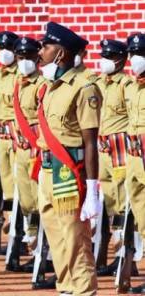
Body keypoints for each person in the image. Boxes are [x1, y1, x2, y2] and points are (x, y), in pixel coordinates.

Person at [36, 21, 101, 296]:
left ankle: (84, 291)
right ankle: (66, 289)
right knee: (57, 239)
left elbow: (90, 142)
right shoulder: (48, 86)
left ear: (60, 52)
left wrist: (93, 191)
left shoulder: (84, 87)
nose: (40, 51)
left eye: (45, 46)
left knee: (75, 239)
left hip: (69, 173)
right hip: (47, 170)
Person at [94, 39, 131, 276]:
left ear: (121, 60)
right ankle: (116, 257)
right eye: (103, 56)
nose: (105, 60)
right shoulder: (97, 83)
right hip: (101, 151)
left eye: (110, 57)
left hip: (120, 150)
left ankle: (126, 259)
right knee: (109, 205)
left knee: (122, 205)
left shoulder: (126, 85)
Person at [10, 36, 47, 272]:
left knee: (42, 201)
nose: (24, 62)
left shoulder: (42, 83)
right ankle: (36, 250)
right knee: (27, 203)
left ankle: (47, 253)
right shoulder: (18, 83)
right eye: (20, 57)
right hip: (20, 150)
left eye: (28, 57)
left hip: (36, 149)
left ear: (37, 58)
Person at [0, 31, 19, 238]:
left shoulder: (20, 74)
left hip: (17, 134)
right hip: (1, 135)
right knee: (6, 179)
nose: (4, 53)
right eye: (1, 48)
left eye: (8, 48)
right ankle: (10, 217)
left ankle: (24, 228)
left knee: (21, 180)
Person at [124, 33, 145, 293]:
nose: (136, 58)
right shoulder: (128, 87)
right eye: (133, 54)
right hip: (133, 158)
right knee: (142, 215)